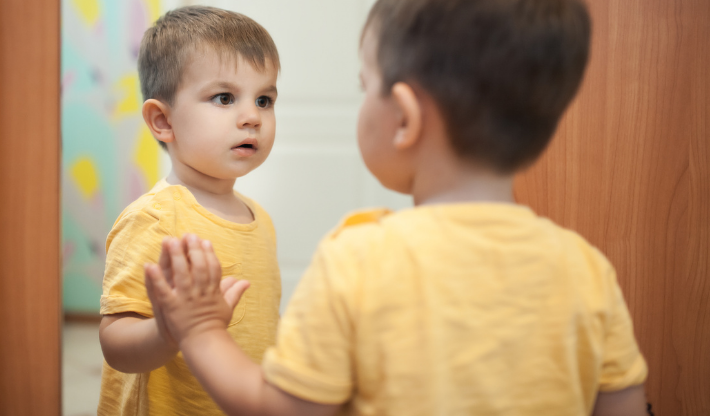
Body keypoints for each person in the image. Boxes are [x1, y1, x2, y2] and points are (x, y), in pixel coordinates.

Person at [143, 0, 650, 415]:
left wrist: (201, 330)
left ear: (403, 118)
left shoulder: (357, 258)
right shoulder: (588, 269)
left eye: (366, 87)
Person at [96, 6, 281, 415]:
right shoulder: (156, 218)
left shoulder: (260, 220)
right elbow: (115, 344)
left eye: (264, 99)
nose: (252, 117)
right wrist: (169, 331)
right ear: (163, 121)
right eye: (224, 98)